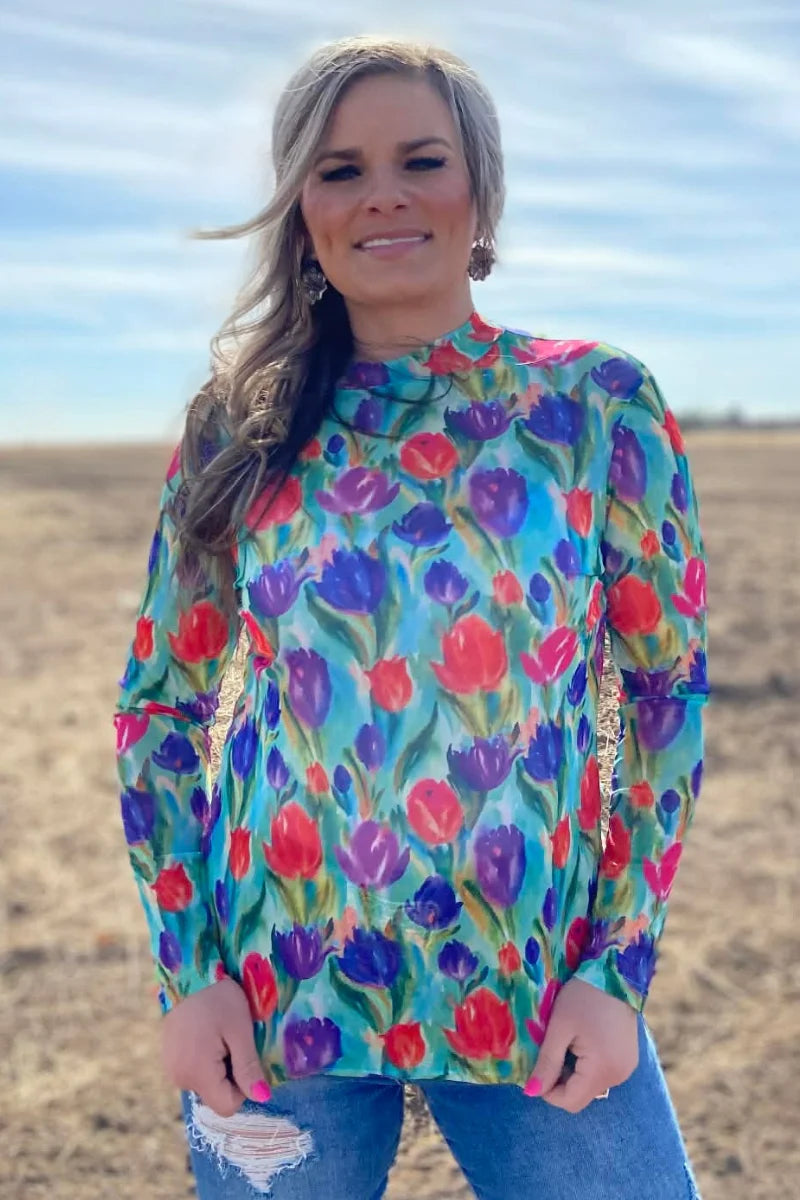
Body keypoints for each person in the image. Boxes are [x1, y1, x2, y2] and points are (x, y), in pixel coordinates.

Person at [113, 34, 709, 1200]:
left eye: (420, 160)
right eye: (338, 171)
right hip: (274, 995)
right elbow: (160, 707)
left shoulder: (593, 401)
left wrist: (615, 969)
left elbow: (661, 696)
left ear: (479, 191)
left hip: (535, 986)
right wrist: (189, 977)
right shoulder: (238, 422)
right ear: (302, 212)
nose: (381, 194)